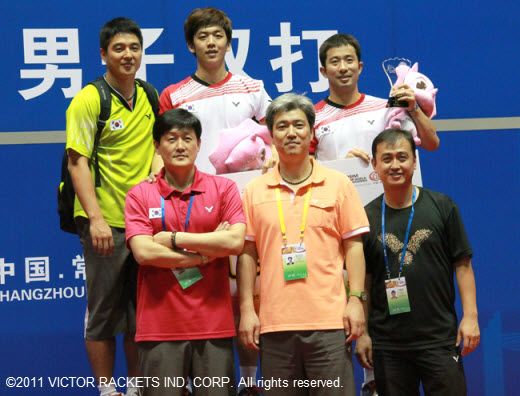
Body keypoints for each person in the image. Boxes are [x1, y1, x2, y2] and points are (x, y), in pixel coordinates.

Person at [238, 93, 369, 395]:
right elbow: (246, 253)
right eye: (282, 126)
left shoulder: (338, 184)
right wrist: (247, 308)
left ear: (312, 133)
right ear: (271, 135)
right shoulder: (254, 190)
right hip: (274, 326)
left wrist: (356, 301)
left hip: (330, 323)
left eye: (299, 125)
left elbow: (354, 247)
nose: (291, 132)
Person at [66, 17, 160, 396]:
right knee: (103, 313)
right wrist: (97, 219)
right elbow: (77, 161)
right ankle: (107, 389)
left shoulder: (149, 95)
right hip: (105, 224)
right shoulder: (90, 98)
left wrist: (155, 180)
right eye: (119, 48)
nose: (128, 55)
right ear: (103, 54)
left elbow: (158, 147)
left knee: (142, 313)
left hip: (144, 226)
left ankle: (136, 386)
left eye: (134, 48)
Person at [124, 109, 246, 396]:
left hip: (214, 326)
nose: (180, 146)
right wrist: (203, 253)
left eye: (187, 139)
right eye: (171, 139)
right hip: (159, 328)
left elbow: (235, 242)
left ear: (199, 144)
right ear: (157, 145)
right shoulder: (140, 194)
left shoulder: (223, 188)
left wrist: (174, 239)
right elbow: (144, 252)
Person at [355, 129, 480, 396]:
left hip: (439, 339)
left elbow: (463, 265)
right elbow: (363, 280)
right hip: (388, 344)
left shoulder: (442, 206)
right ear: (375, 166)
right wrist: (363, 333)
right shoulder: (365, 217)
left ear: (414, 160)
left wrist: (471, 317)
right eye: (386, 158)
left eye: (402, 157)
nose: (395, 165)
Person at [159, 7, 272, 174]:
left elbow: (276, 134)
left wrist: (272, 157)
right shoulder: (173, 95)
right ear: (191, 45)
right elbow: (162, 148)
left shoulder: (253, 88)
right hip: (194, 191)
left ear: (228, 45)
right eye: (203, 37)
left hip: (245, 188)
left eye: (218, 36)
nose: (211, 43)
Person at [311, 33, 439, 163]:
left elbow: (432, 144)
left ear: (359, 67)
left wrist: (414, 109)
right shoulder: (313, 117)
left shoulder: (387, 107)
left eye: (349, 60)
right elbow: (304, 170)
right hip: (335, 184)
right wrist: (345, 167)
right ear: (323, 71)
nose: (343, 68)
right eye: (335, 62)